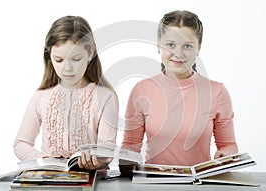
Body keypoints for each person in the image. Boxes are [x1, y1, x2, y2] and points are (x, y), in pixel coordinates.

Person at [120, 10, 238, 172]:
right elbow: (130, 145)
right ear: (158, 46)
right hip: (153, 182)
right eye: (170, 45)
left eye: (187, 46)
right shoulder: (141, 90)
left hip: (200, 182)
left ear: (199, 48)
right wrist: (124, 162)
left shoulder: (217, 92)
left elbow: (229, 145)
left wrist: (225, 155)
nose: (178, 54)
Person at [13, 16, 118, 170]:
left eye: (76, 59)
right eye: (59, 60)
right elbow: (20, 143)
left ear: (90, 53)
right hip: (49, 180)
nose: (67, 68)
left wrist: (97, 159)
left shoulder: (105, 97)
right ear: (50, 57)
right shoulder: (41, 97)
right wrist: (44, 159)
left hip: (90, 181)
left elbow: (107, 147)